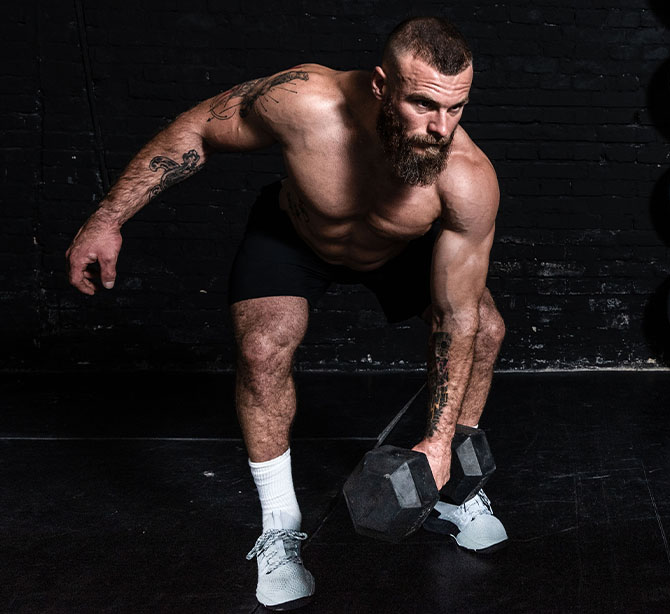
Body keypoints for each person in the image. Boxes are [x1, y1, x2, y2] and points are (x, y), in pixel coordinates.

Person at [64, 16, 506, 611]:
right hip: (296, 234)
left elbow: (456, 319)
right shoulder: (301, 100)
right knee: (262, 348)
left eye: (456, 109)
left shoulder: (466, 179)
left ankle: (455, 489)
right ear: (381, 86)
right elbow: (197, 129)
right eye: (423, 104)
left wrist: (436, 438)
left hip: (398, 250)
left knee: (486, 330)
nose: (440, 128)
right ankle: (279, 526)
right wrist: (107, 220)